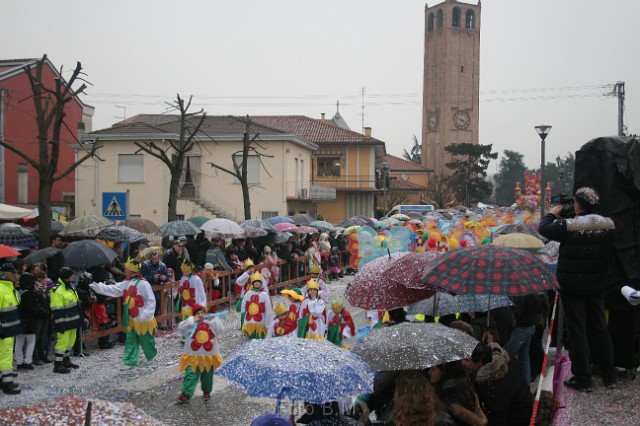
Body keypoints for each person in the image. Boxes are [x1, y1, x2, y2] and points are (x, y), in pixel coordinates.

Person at [538, 186, 618, 391]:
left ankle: (583, 378)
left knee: (578, 330)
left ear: (578, 205)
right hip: (599, 283)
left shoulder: (569, 225)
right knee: (600, 327)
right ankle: (609, 376)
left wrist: (551, 214)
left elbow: (544, 229)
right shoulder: (608, 224)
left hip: (573, 286)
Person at [90, 259, 157, 367]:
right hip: (131, 318)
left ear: (132, 271)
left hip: (143, 318)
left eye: (127, 269)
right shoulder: (126, 283)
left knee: (146, 339)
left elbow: (151, 300)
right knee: (130, 339)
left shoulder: (144, 284)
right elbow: (115, 289)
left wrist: (147, 314)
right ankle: (130, 360)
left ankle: (151, 355)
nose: (124, 270)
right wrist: (100, 288)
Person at [461, 342, 533, 426]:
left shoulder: (492, 385)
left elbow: (496, 418)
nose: (463, 363)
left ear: (480, 362)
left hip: (517, 419)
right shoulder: (503, 359)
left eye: (467, 360)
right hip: (523, 407)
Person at [176, 303, 224, 404]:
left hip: (208, 356)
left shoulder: (210, 323)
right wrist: (192, 320)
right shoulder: (191, 323)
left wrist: (214, 320)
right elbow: (181, 327)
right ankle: (185, 394)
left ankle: (206, 391)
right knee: (190, 375)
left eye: (202, 312)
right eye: (198, 313)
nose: (201, 315)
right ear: (194, 315)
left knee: (207, 376)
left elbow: (220, 330)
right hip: (193, 356)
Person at [49, 266, 82, 374]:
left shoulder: (70, 286)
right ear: (66, 277)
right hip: (64, 322)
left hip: (73, 321)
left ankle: (66, 360)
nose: (73, 276)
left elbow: (76, 304)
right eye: (71, 275)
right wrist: (60, 324)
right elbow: (56, 309)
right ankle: (58, 365)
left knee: (70, 342)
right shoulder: (57, 290)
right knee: (62, 343)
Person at [0, 263, 22, 394]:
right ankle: (8, 384)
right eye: (13, 273)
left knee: (5, 356)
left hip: (9, 330)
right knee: (6, 357)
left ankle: (3, 380)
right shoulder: (2, 289)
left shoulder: (10, 288)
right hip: (4, 331)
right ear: (6, 274)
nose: (16, 275)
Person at [240, 272, 273, 339]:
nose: (257, 283)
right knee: (250, 338)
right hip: (250, 321)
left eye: (258, 282)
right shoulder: (248, 293)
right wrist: (243, 315)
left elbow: (268, 308)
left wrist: (267, 323)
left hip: (260, 321)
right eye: (255, 282)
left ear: (261, 283)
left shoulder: (264, 294)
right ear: (252, 283)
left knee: (260, 339)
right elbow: (243, 304)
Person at [140, 250, 169, 316]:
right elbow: (142, 277)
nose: (154, 260)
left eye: (156, 259)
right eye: (153, 259)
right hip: (147, 290)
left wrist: (164, 278)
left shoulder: (162, 265)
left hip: (158, 291)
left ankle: (156, 322)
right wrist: (152, 277)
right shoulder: (145, 264)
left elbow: (167, 278)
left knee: (156, 308)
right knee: (147, 309)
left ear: (158, 258)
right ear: (150, 258)